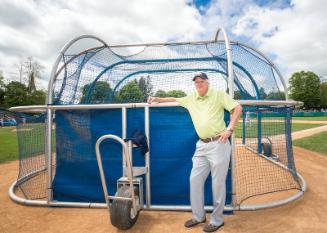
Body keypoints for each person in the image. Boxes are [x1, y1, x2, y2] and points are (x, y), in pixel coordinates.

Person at [147, 72, 242, 232]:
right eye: (196, 82)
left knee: (218, 184)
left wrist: (229, 129)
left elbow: (238, 107)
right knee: (194, 179)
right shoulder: (191, 98)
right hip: (201, 145)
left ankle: (217, 220)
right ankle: (199, 216)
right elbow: (174, 99)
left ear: (207, 82)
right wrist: (157, 99)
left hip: (219, 143)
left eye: (201, 81)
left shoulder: (218, 95)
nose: (199, 83)